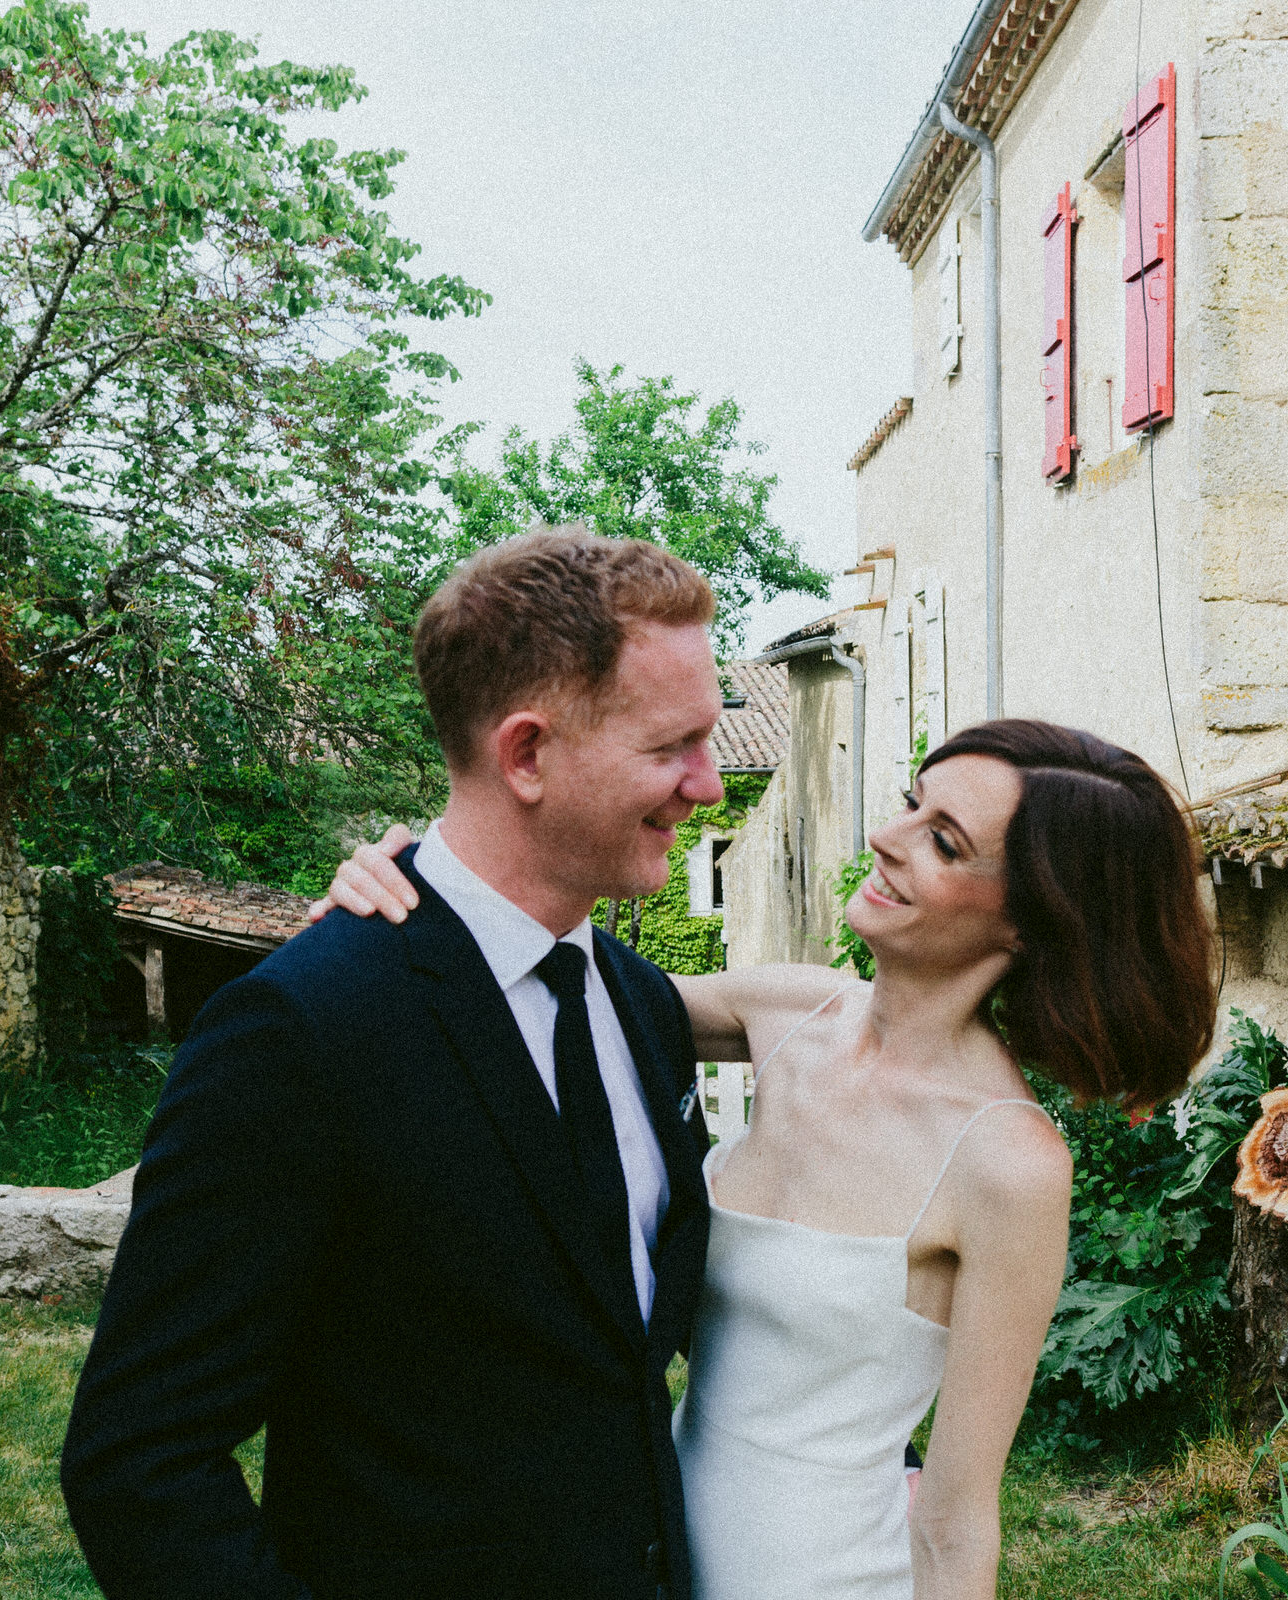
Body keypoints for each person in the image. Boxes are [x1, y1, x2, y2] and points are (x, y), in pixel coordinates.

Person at [322, 717, 1218, 1599]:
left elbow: (955, 1520)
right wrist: (414, 887)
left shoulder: (1009, 1163)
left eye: (942, 841)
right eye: (911, 805)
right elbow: (524, 981)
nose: (886, 837)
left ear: (1031, 922)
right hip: (655, 1552)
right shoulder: (787, 1016)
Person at [61, 527, 729, 1599]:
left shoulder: (643, 1007)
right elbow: (140, 1459)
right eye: (672, 748)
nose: (709, 786)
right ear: (526, 753)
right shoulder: (301, 1030)